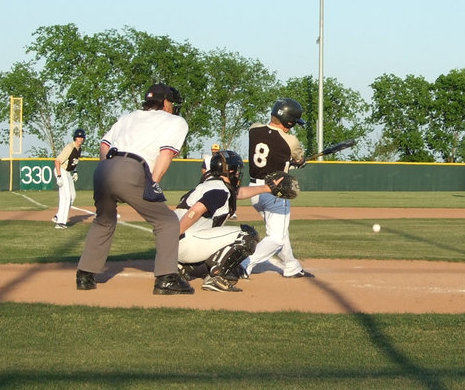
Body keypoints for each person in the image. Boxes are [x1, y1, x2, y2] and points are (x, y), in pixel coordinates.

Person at [75, 83, 194, 295]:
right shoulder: (176, 121)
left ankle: (85, 275)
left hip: (104, 168)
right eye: (171, 102)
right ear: (165, 102)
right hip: (132, 169)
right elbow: (165, 154)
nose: (173, 107)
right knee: (166, 222)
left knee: (103, 220)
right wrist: (152, 183)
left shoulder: (129, 116)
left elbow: (104, 145)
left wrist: (109, 172)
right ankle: (166, 279)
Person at [242, 97, 312, 278]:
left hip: (254, 190)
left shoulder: (254, 129)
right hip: (275, 192)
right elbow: (297, 158)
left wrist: (289, 162)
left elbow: (276, 152)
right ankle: (243, 265)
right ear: (288, 121)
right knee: (277, 238)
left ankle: (291, 266)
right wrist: (299, 162)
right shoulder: (291, 140)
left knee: (280, 231)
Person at [175, 149, 262, 292]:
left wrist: (267, 188)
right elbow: (196, 210)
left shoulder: (210, 185)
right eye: (237, 170)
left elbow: (238, 193)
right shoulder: (220, 189)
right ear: (230, 170)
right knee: (247, 236)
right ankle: (216, 278)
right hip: (185, 242)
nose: (238, 174)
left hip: (176, 247)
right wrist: (177, 232)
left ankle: (186, 269)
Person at [52, 128, 86, 228]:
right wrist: (58, 176)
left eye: (82, 137)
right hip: (61, 170)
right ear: (75, 138)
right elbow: (57, 161)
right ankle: (60, 223)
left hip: (67, 172)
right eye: (78, 137)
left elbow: (74, 162)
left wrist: (75, 171)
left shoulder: (79, 149)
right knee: (66, 196)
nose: (80, 139)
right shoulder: (70, 147)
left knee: (73, 195)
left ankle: (58, 216)